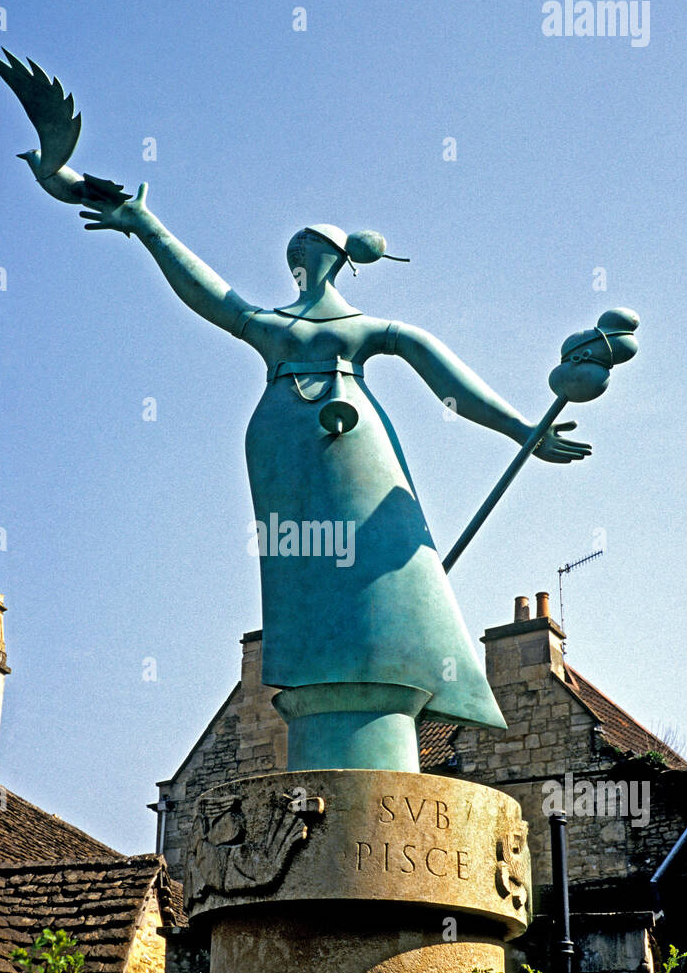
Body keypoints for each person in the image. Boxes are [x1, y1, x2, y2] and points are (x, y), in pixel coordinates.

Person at [81, 187, 591, 771]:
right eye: (296, 254)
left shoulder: (367, 328)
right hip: (283, 441)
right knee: (302, 571)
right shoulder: (269, 325)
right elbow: (207, 293)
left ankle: (391, 669)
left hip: (353, 442)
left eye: (314, 252)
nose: (302, 263)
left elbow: (446, 379)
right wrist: (144, 223)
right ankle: (324, 677)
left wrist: (522, 428)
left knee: (385, 554)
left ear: (340, 262)